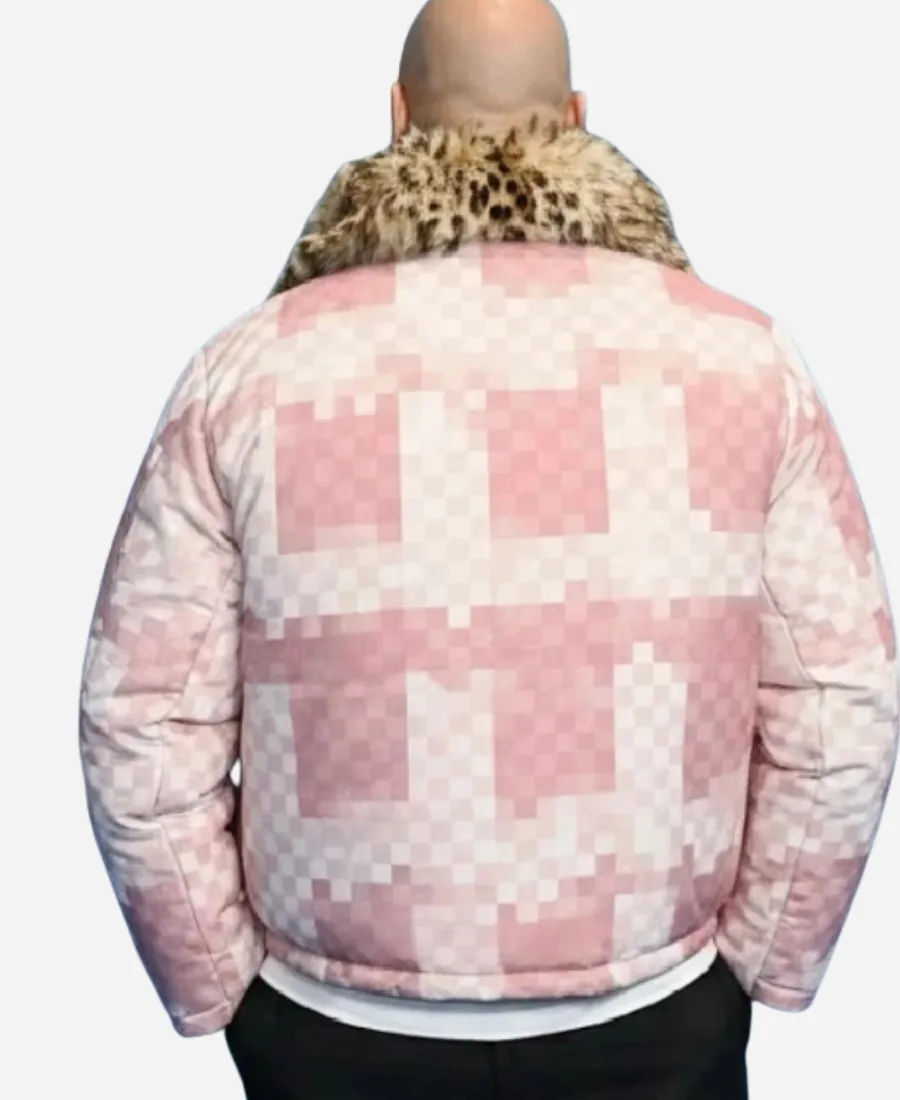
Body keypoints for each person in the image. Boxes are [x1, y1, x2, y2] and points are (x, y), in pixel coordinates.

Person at [79, 0, 898, 1096]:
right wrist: (757, 963)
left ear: (396, 117)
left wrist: (222, 984)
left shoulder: (248, 372)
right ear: (578, 118)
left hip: (332, 1038)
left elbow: (142, 715)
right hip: (656, 1030)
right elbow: (841, 698)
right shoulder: (745, 361)